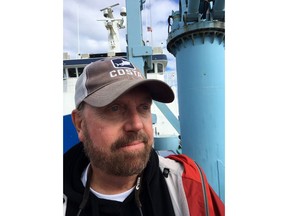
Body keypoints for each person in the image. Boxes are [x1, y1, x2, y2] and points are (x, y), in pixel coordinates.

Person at [63, 57, 225, 216]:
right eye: (114, 108)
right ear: (80, 123)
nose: (136, 125)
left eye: (144, 107)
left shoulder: (187, 184)